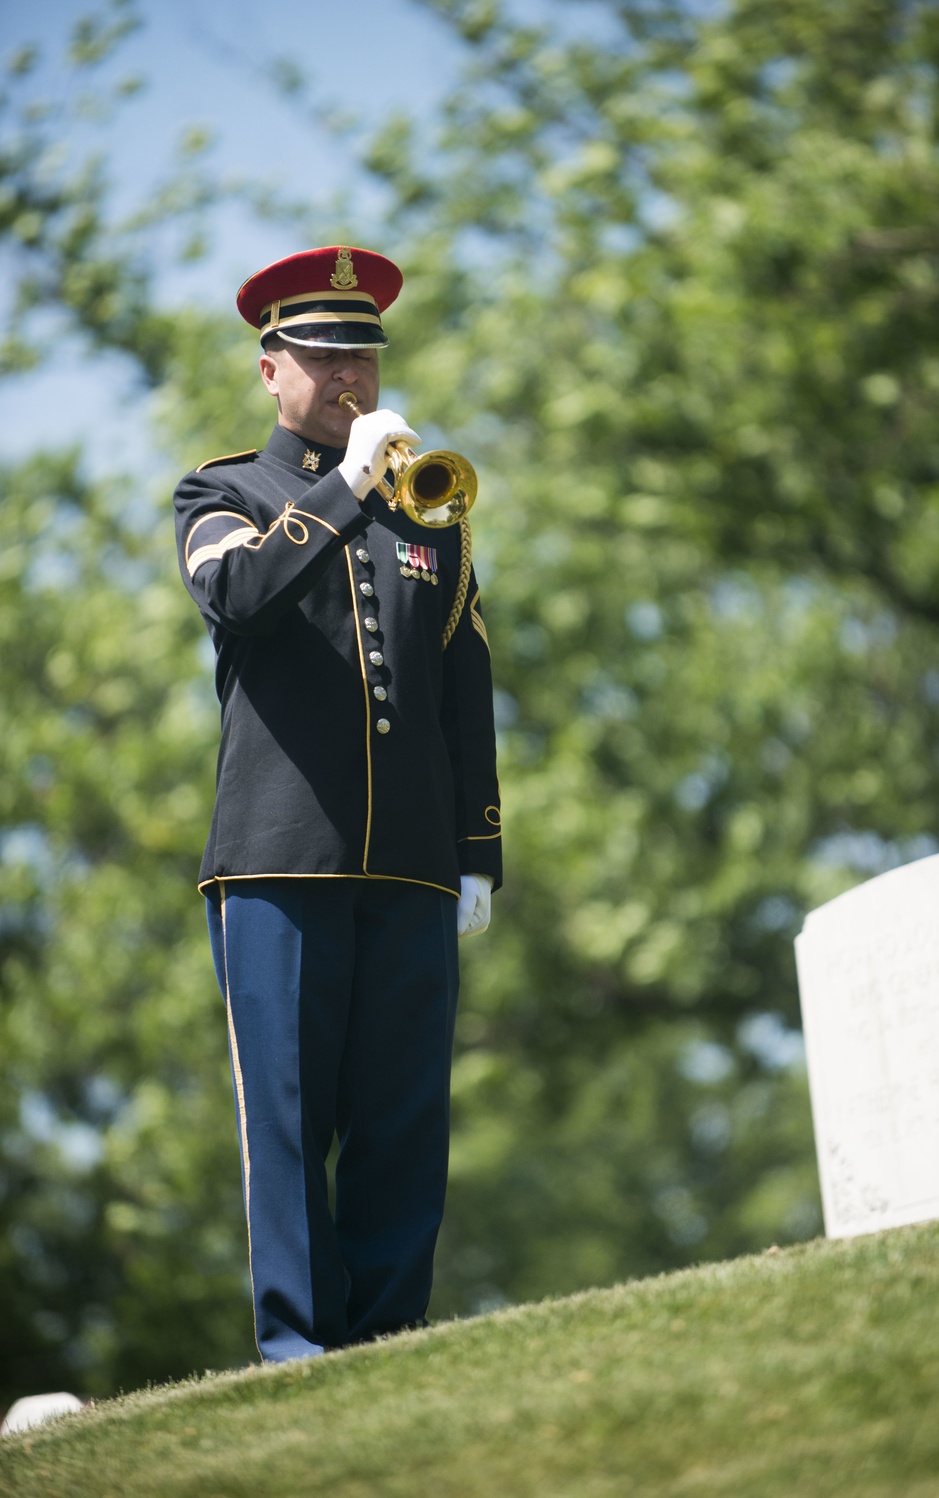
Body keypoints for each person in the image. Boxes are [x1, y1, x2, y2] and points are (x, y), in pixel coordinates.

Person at [172, 245, 501, 1362]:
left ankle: (391, 1342)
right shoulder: (223, 493)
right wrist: (343, 486)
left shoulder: (431, 510)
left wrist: (476, 852)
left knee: (405, 1120)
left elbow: (466, 685)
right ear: (271, 369)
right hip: (279, 859)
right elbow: (238, 594)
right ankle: (299, 1351)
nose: (350, 375)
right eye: (323, 355)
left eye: (362, 353)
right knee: (291, 1117)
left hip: (410, 860)